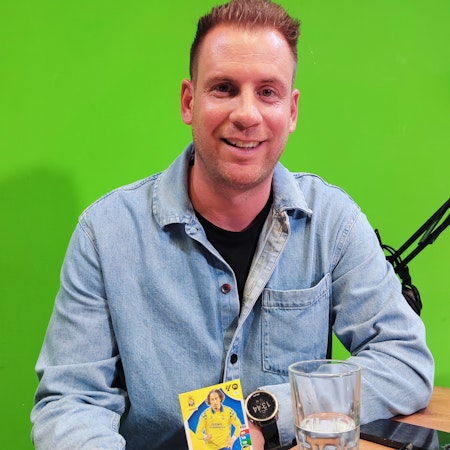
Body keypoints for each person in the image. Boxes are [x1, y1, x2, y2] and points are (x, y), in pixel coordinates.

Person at [31, 0, 434, 449]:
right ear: (189, 101)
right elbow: (70, 403)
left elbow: (405, 362)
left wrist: (263, 417)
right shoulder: (105, 234)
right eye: (224, 88)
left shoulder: (332, 223)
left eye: (268, 92)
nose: (246, 114)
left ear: (291, 111)